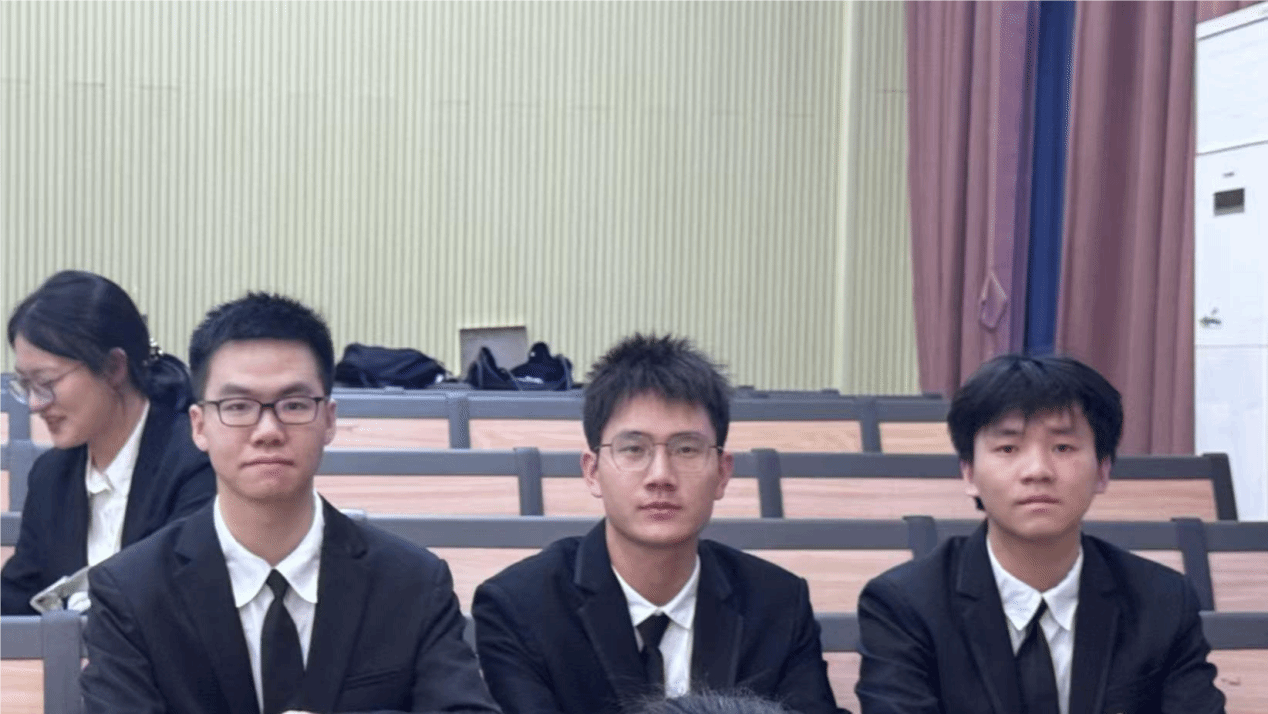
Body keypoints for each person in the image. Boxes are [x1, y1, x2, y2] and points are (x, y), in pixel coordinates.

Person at [80, 292, 500, 714]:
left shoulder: (412, 584)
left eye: (295, 405)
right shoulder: (132, 593)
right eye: (238, 406)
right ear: (199, 426)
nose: (268, 430)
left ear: (329, 420)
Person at [473, 334, 845, 714]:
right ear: (592, 471)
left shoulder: (778, 603)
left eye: (686, 449)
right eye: (634, 449)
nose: (661, 476)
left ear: (722, 473)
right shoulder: (520, 608)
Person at [855, 353, 1225, 714]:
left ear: (1102, 471)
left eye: (1063, 447)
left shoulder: (1162, 601)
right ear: (969, 473)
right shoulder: (906, 606)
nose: (1037, 470)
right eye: (1008, 448)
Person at [0, 270, 214, 614]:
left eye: (46, 382)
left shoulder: (195, 461)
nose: (36, 404)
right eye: (26, 385)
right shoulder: (51, 476)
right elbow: (18, 597)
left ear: (114, 367)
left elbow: (177, 603)